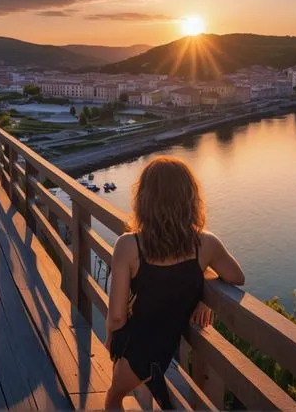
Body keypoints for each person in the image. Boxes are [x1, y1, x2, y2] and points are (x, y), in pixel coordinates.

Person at [105, 156, 244, 410]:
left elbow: (116, 316)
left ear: (144, 199)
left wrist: (112, 341)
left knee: (113, 398)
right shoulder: (206, 244)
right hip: (168, 353)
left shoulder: (128, 245)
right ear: (190, 199)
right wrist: (203, 293)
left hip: (135, 353)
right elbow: (236, 277)